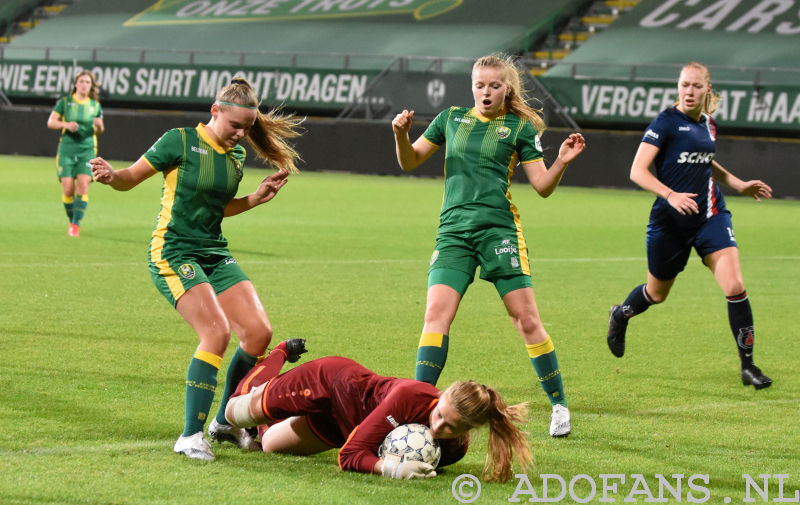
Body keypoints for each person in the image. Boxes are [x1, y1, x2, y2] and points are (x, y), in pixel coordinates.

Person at [90, 77, 304, 460]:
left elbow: (216, 208)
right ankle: (190, 436)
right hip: (173, 251)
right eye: (234, 125)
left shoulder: (235, 158)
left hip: (213, 251)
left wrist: (254, 199)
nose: (241, 134)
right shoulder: (180, 141)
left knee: (258, 333)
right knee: (216, 332)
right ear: (215, 111)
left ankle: (224, 421)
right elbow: (130, 178)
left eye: (247, 128)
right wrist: (111, 176)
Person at [390, 54, 586, 437]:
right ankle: (418, 404)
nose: (485, 91)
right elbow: (410, 161)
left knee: (526, 320)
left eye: (494, 85)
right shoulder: (451, 119)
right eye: (480, 84)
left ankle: (559, 405)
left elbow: (542, 187)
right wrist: (400, 133)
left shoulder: (519, 128)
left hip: (499, 233)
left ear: (506, 89)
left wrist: (561, 161)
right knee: (435, 318)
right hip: (454, 234)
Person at [606, 61, 773, 390]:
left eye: (696, 86)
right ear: (678, 87)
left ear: (707, 89)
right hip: (670, 222)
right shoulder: (666, 122)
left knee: (735, 286)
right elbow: (637, 171)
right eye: (684, 85)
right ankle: (620, 314)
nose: (689, 91)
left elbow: (705, 161)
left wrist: (738, 184)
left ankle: (748, 367)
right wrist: (670, 195)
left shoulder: (709, 124)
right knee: (656, 294)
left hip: (710, 214)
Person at [225, 339, 532, 482]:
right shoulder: (409, 397)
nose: (438, 430)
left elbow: (351, 446)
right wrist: (392, 469)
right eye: (439, 416)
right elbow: (349, 457)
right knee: (234, 413)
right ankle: (277, 356)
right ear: (442, 395)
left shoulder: (454, 450)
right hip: (331, 383)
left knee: (267, 445)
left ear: (468, 432)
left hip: (342, 426)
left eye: (452, 428)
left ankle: (269, 414)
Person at [47, 70, 105, 237]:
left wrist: (100, 126)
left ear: (91, 86)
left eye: (88, 82)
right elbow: (51, 122)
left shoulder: (95, 105)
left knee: (83, 185)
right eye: (82, 81)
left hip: (87, 149)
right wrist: (65, 124)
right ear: (75, 84)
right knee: (67, 189)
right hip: (67, 148)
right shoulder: (65, 102)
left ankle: (75, 225)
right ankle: (73, 219)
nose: (84, 85)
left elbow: (100, 130)